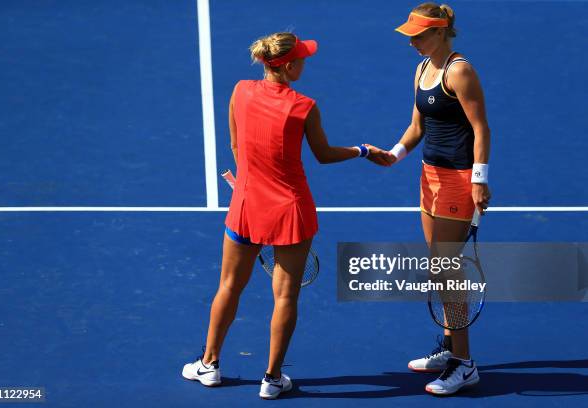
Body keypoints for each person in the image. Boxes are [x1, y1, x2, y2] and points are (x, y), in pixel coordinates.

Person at [182, 32, 387, 399]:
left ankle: (209, 365)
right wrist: (362, 150)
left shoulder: (240, 91)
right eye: (303, 58)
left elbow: (236, 146)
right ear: (289, 66)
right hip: (291, 211)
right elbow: (323, 155)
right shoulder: (304, 106)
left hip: (246, 205)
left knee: (229, 285)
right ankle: (272, 379)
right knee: (286, 297)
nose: (306, 62)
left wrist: (249, 183)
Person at [376, 3, 492, 396]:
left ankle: (464, 364)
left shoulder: (459, 70)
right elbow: (416, 127)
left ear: (441, 32)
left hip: (459, 181)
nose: (412, 41)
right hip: (429, 178)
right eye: (410, 35)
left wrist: (479, 180)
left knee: (446, 270)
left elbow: (481, 129)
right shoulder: (423, 67)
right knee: (441, 268)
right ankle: (449, 346)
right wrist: (394, 154)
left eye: (419, 35)